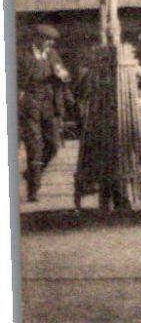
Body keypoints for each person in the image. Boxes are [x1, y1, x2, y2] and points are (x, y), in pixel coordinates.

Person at [19, 24, 71, 202]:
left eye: (52, 41)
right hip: (30, 103)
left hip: (49, 104)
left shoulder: (52, 54)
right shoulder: (21, 55)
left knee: (54, 145)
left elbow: (64, 74)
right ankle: (33, 190)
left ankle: (31, 174)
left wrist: (62, 74)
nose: (50, 43)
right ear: (37, 39)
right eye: (48, 40)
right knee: (34, 146)